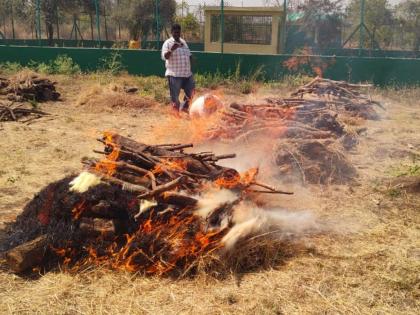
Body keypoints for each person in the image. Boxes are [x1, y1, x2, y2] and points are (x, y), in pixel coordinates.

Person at [161, 24, 195, 114]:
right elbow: (165, 57)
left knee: (191, 92)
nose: (177, 34)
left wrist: (192, 60)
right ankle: (175, 114)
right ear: (171, 32)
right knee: (175, 96)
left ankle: (184, 107)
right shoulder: (167, 43)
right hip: (174, 74)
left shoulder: (183, 42)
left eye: (178, 32)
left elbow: (189, 54)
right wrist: (172, 49)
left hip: (187, 74)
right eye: (175, 32)